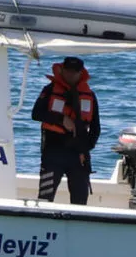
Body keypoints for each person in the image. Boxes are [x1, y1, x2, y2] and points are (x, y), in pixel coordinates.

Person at [30, 57, 100, 204]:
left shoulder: (90, 95)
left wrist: (85, 149)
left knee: (80, 201)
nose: (71, 75)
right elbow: (36, 114)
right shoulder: (49, 90)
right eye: (68, 71)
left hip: (78, 155)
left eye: (75, 72)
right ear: (62, 70)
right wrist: (61, 119)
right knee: (45, 198)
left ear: (81, 73)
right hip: (53, 152)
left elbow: (95, 128)